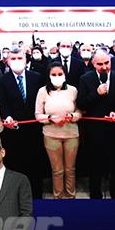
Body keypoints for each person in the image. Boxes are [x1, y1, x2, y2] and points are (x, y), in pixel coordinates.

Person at [0, 47, 46, 198]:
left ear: (25, 60)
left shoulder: (36, 77)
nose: (17, 61)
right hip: (13, 130)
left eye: (20, 58)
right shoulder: (2, 80)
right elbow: (1, 102)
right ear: (7, 61)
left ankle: (36, 195)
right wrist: (7, 117)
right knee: (15, 164)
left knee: (35, 163)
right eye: (13, 58)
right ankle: (16, 196)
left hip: (34, 129)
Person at [77, 50, 115, 199]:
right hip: (94, 131)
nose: (104, 67)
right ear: (93, 64)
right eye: (100, 64)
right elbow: (81, 104)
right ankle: (95, 194)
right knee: (95, 164)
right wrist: (96, 93)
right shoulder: (85, 79)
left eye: (107, 63)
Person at [35, 63, 82, 198]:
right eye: (54, 74)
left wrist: (72, 116)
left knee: (70, 169)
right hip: (51, 135)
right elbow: (38, 115)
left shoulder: (73, 90)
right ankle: (58, 197)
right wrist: (50, 118)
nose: (57, 77)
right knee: (57, 170)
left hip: (71, 134)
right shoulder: (42, 91)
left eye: (60, 74)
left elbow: (79, 112)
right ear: (49, 76)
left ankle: (70, 196)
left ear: (65, 75)